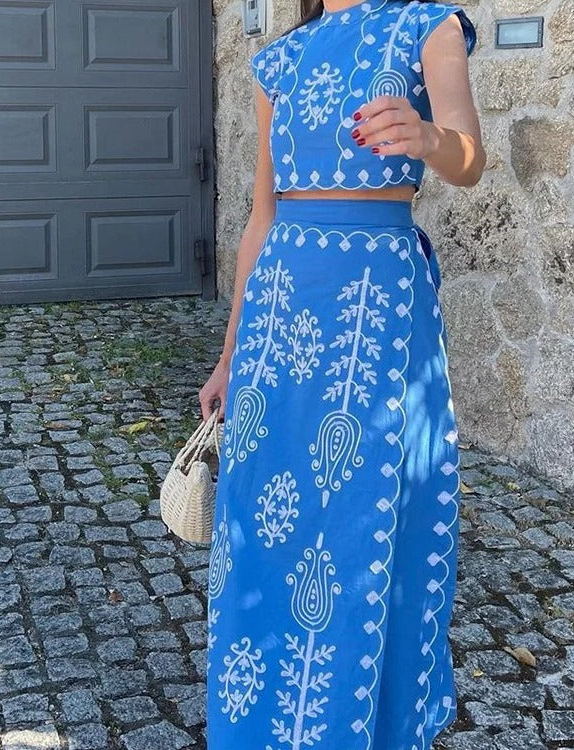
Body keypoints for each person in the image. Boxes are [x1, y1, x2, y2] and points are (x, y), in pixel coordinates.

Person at [199, 0, 485, 747]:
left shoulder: (431, 27)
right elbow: (260, 217)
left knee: (372, 515)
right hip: (282, 306)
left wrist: (427, 137)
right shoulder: (282, 59)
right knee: (261, 526)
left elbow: (469, 157)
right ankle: (259, 723)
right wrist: (231, 354)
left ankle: (367, 721)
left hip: (377, 309)